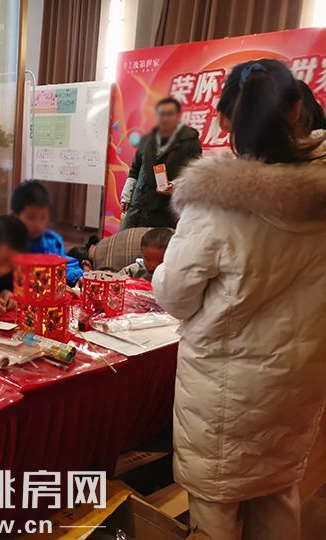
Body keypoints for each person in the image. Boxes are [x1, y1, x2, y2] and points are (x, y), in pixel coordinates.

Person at [152, 59, 326, 540]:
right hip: (299, 383)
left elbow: (175, 296)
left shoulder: (215, 203)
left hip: (224, 393)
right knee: (278, 496)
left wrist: (160, 271)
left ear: (225, 121)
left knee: (215, 512)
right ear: (296, 111)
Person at [120, 97, 202, 229]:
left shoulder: (190, 141)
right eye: (161, 114)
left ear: (178, 116)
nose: (165, 118)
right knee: (129, 239)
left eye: (169, 114)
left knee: (157, 241)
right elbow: (135, 170)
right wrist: (126, 197)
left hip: (165, 210)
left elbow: (195, 173)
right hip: (138, 207)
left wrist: (174, 186)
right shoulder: (147, 139)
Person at [9, 181, 83, 286]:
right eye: (31, 217)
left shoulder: (51, 242)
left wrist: (77, 277)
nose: (38, 224)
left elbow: (65, 264)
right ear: (14, 217)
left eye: (43, 217)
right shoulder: (6, 243)